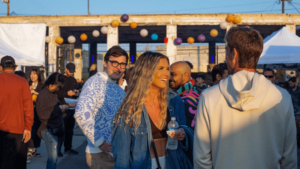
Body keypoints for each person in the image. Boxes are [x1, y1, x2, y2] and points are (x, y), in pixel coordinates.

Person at [194, 27, 297, 168]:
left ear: (234, 54)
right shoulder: (282, 97)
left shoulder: (209, 97)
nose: (225, 57)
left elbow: (202, 158)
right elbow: (289, 157)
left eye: (226, 51)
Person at [112, 52, 193, 169]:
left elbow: (185, 132)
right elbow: (121, 156)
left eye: (167, 69)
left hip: (175, 163)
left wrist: (183, 135)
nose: (166, 73)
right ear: (146, 71)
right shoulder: (129, 107)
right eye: (161, 68)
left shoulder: (175, 100)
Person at [75, 46, 128, 169]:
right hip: (101, 154)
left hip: (116, 153)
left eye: (122, 64)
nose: (118, 67)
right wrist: (100, 143)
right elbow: (82, 114)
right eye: (114, 63)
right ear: (105, 63)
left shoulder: (117, 88)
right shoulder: (95, 82)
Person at [0, 56, 33, 169]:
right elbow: (28, 107)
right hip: (17, 129)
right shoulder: (22, 82)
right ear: (15, 67)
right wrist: (28, 127)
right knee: (17, 163)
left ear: (0, 67)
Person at [36, 73, 71, 169]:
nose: (57, 89)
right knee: (53, 158)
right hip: (48, 129)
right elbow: (41, 114)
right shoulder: (43, 94)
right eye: (56, 86)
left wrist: (64, 109)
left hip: (56, 128)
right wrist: (59, 109)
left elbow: (56, 111)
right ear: (51, 83)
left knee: (54, 158)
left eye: (59, 87)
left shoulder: (53, 94)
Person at [57, 62, 79, 156]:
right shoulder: (60, 78)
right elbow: (57, 93)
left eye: (73, 71)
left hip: (72, 107)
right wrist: (67, 93)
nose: (71, 73)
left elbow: (76, 90)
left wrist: (77, 93)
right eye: (70, 71)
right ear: (66, 69)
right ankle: (58, 149)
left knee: (70, 129)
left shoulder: (74, 79)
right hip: (62, 107)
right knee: (62, 129)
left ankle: (68, 147)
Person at [170, 61, 200, 130]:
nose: (169, 78)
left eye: (173, 75)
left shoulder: (185, 99)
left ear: (186, 76)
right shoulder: (196, 91)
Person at [27, 69, 44, 157]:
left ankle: (34, 149)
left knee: (38, 130)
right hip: (29, 111)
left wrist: (35, 92)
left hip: (39, 111)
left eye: (34, 74)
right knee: (31, 129)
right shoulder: (27, 84)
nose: (32, 76)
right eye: (31, 74)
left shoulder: (42, 85)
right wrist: (28, 90)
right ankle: (30, 148)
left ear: (38, 75)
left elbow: (45, 97)